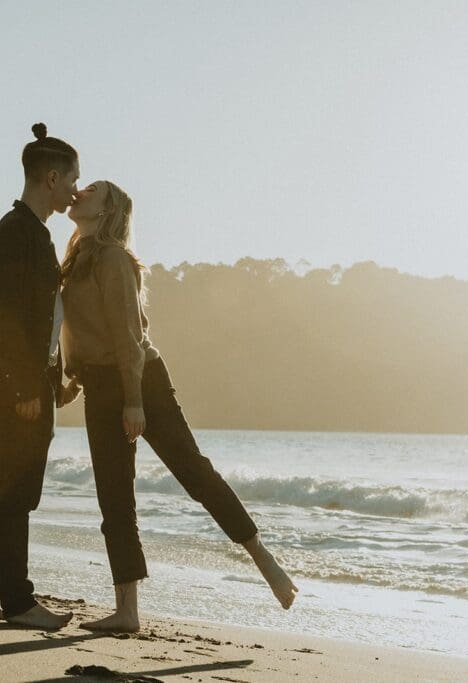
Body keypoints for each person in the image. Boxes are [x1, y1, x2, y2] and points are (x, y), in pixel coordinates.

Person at [59, 180, 298, 632]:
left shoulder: (114, 259)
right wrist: (73, 380)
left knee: (193, 471)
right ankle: (127, 611)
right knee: (114, 497)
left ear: (108, 210)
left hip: (141, 379)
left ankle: (263, 558)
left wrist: (134, 401)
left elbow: (128, 336)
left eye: (92, 190)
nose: (80, 192)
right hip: (101, 383)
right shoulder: (75, 258)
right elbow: (81, 330)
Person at [0, 123, 80, 630]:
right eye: (72, 180)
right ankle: (19, 601)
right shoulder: (14, 234)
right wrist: (23, 386)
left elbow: (41, 322)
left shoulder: (33, 234)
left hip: (29, 384)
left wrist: (53, 379)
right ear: (51, 178)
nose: (75, 191)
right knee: (16, 491)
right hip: (17, 388)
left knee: (0, 486)